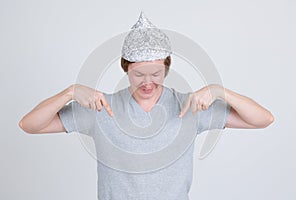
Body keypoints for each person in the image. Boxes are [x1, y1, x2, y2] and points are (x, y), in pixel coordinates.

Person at [19, 12, 274, 200]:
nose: (148, 82)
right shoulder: (101, 108)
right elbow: (29, 125)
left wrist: (219, 91)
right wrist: (69, 92)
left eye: (156, 73)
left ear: (166, 68)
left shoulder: (190, 106)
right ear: (126, 68)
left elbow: (263, 119)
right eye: (139, 74)